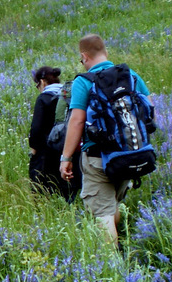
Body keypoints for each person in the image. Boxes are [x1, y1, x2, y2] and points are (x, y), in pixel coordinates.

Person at [60, 34, 152, 244]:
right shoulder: (131, 75)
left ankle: (113, 266)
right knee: (112, 204)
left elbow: (77, 121)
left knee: (101, 213)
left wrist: (65, 158)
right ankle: (120, 241)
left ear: (84, 56)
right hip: (130, 154)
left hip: (97, 157)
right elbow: (149, 110)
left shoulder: (83, 82)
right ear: (106, 52)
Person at [29, 66, 65, 194]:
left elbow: (36, 128)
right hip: (66, 149)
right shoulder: (67, 95)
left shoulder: (43, 98)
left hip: (46, 150)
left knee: (42, 187)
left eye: (37, 85)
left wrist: (33, 148)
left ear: (42, 81)